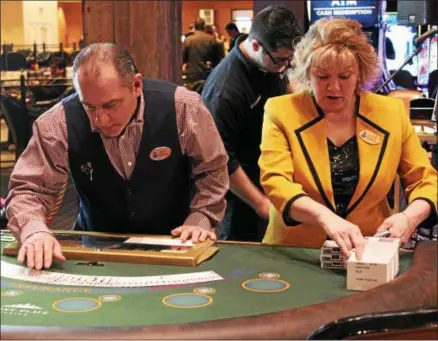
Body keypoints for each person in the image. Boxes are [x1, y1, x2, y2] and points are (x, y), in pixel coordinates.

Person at [5, 43, 229, 270]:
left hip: (177, 246)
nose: (100, 120)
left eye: (111, 105)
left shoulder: (184, 107)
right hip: (95, 251)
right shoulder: (57, 122)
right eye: (89, 107)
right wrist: (33, 230)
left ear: (137, 85)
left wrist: (201, 216)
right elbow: (29, 190)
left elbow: (212, 169)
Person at [259, 18, 437, 259]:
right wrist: (325, 218)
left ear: (360, 73)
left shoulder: (390, 113)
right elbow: (276, 182)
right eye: (322, 77)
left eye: (344, 76)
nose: (334, 87)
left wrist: (409, 217)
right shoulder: (281, 110)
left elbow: (424, 179)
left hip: (368, 252)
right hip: (296, 253)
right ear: (306, 74)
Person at [202, 6, 302, 242]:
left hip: (274, 179)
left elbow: (285, 87)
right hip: (243, 195)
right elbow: (220, 159)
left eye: (289, 60)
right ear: (255, 45)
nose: (284, 66)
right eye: (280, 60)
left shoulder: (269, 62)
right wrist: (260, 203)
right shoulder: (225, 91)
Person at [182, 18, 222, 83]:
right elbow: (217, 60)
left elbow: (182, 59)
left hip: (191, 75)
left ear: (194, 27)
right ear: (204, 27)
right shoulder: (211, 39)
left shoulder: (188, 40)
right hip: (206, 74)